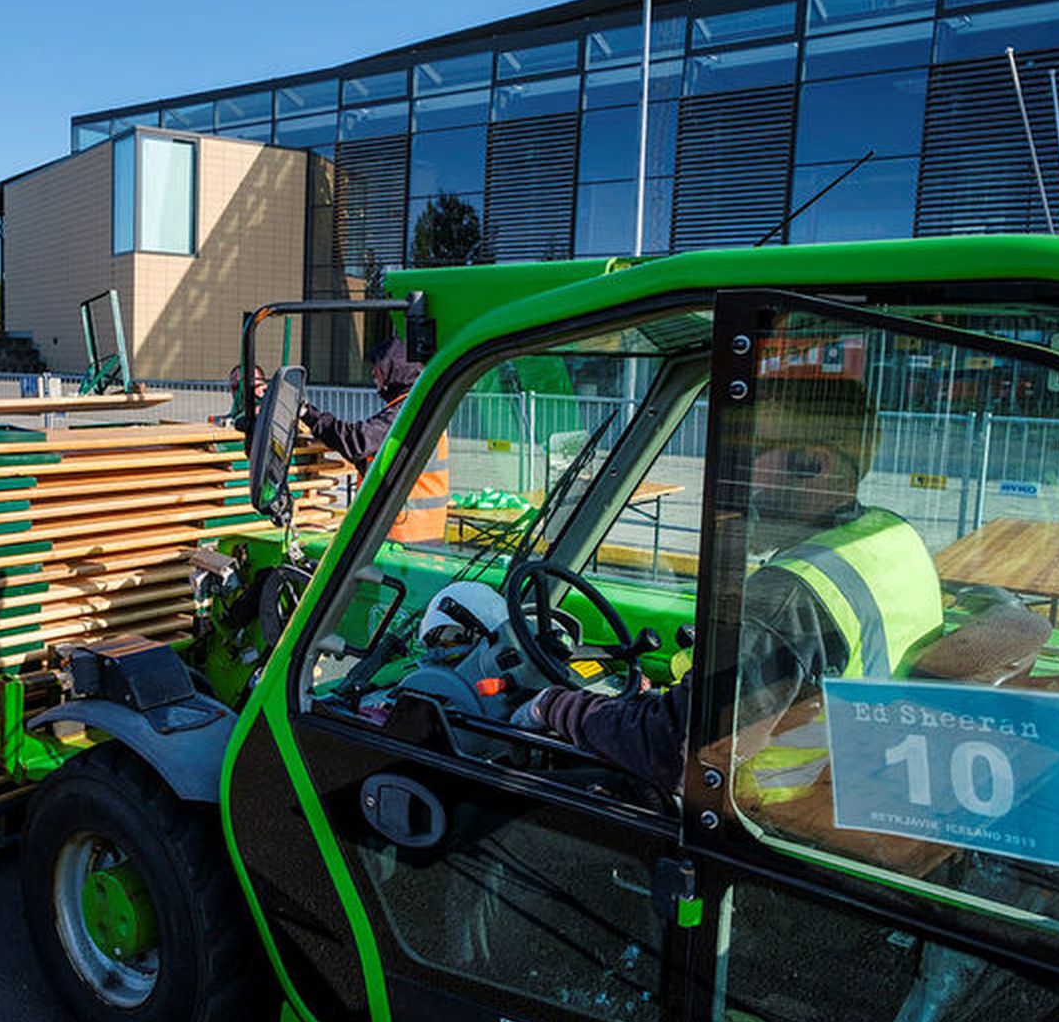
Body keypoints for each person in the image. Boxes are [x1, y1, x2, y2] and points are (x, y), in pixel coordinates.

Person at [510, 376, 944, 796]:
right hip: (860, 781)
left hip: (767, 816)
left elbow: (677, 754)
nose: (736, 482)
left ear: (812, 462)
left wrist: (553, 705)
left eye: (749, 456)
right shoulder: (888, 536)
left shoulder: (787, 598)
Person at [299, 335, 450, 545]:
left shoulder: (406, 412)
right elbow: (381, 463)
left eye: (377, 368)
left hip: (403, 535)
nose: (373, 374)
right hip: (420, 533)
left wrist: (309, 414)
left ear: (394, 369)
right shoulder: (420, 406)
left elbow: (357, 441)